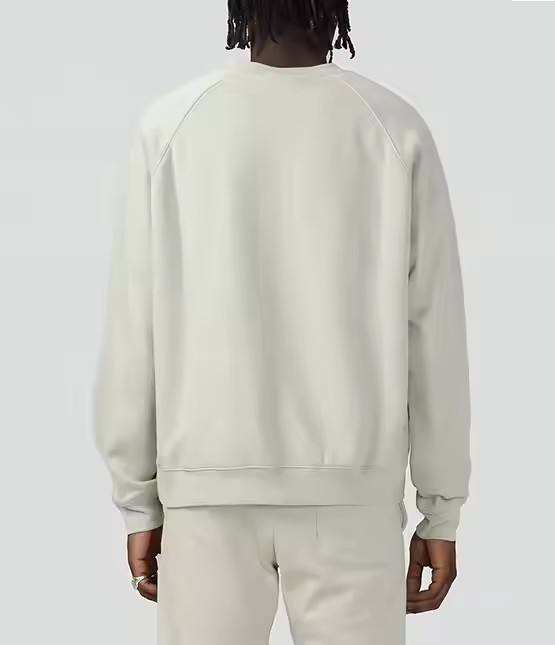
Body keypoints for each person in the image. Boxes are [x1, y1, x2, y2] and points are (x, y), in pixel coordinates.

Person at [93, 1, 471, 643]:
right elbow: (435, 335)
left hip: (206, 495)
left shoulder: (172, 125)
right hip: (351, 498)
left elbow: (135, 325)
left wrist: (139, 499)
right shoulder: (391, 126)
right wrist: (442, 508)